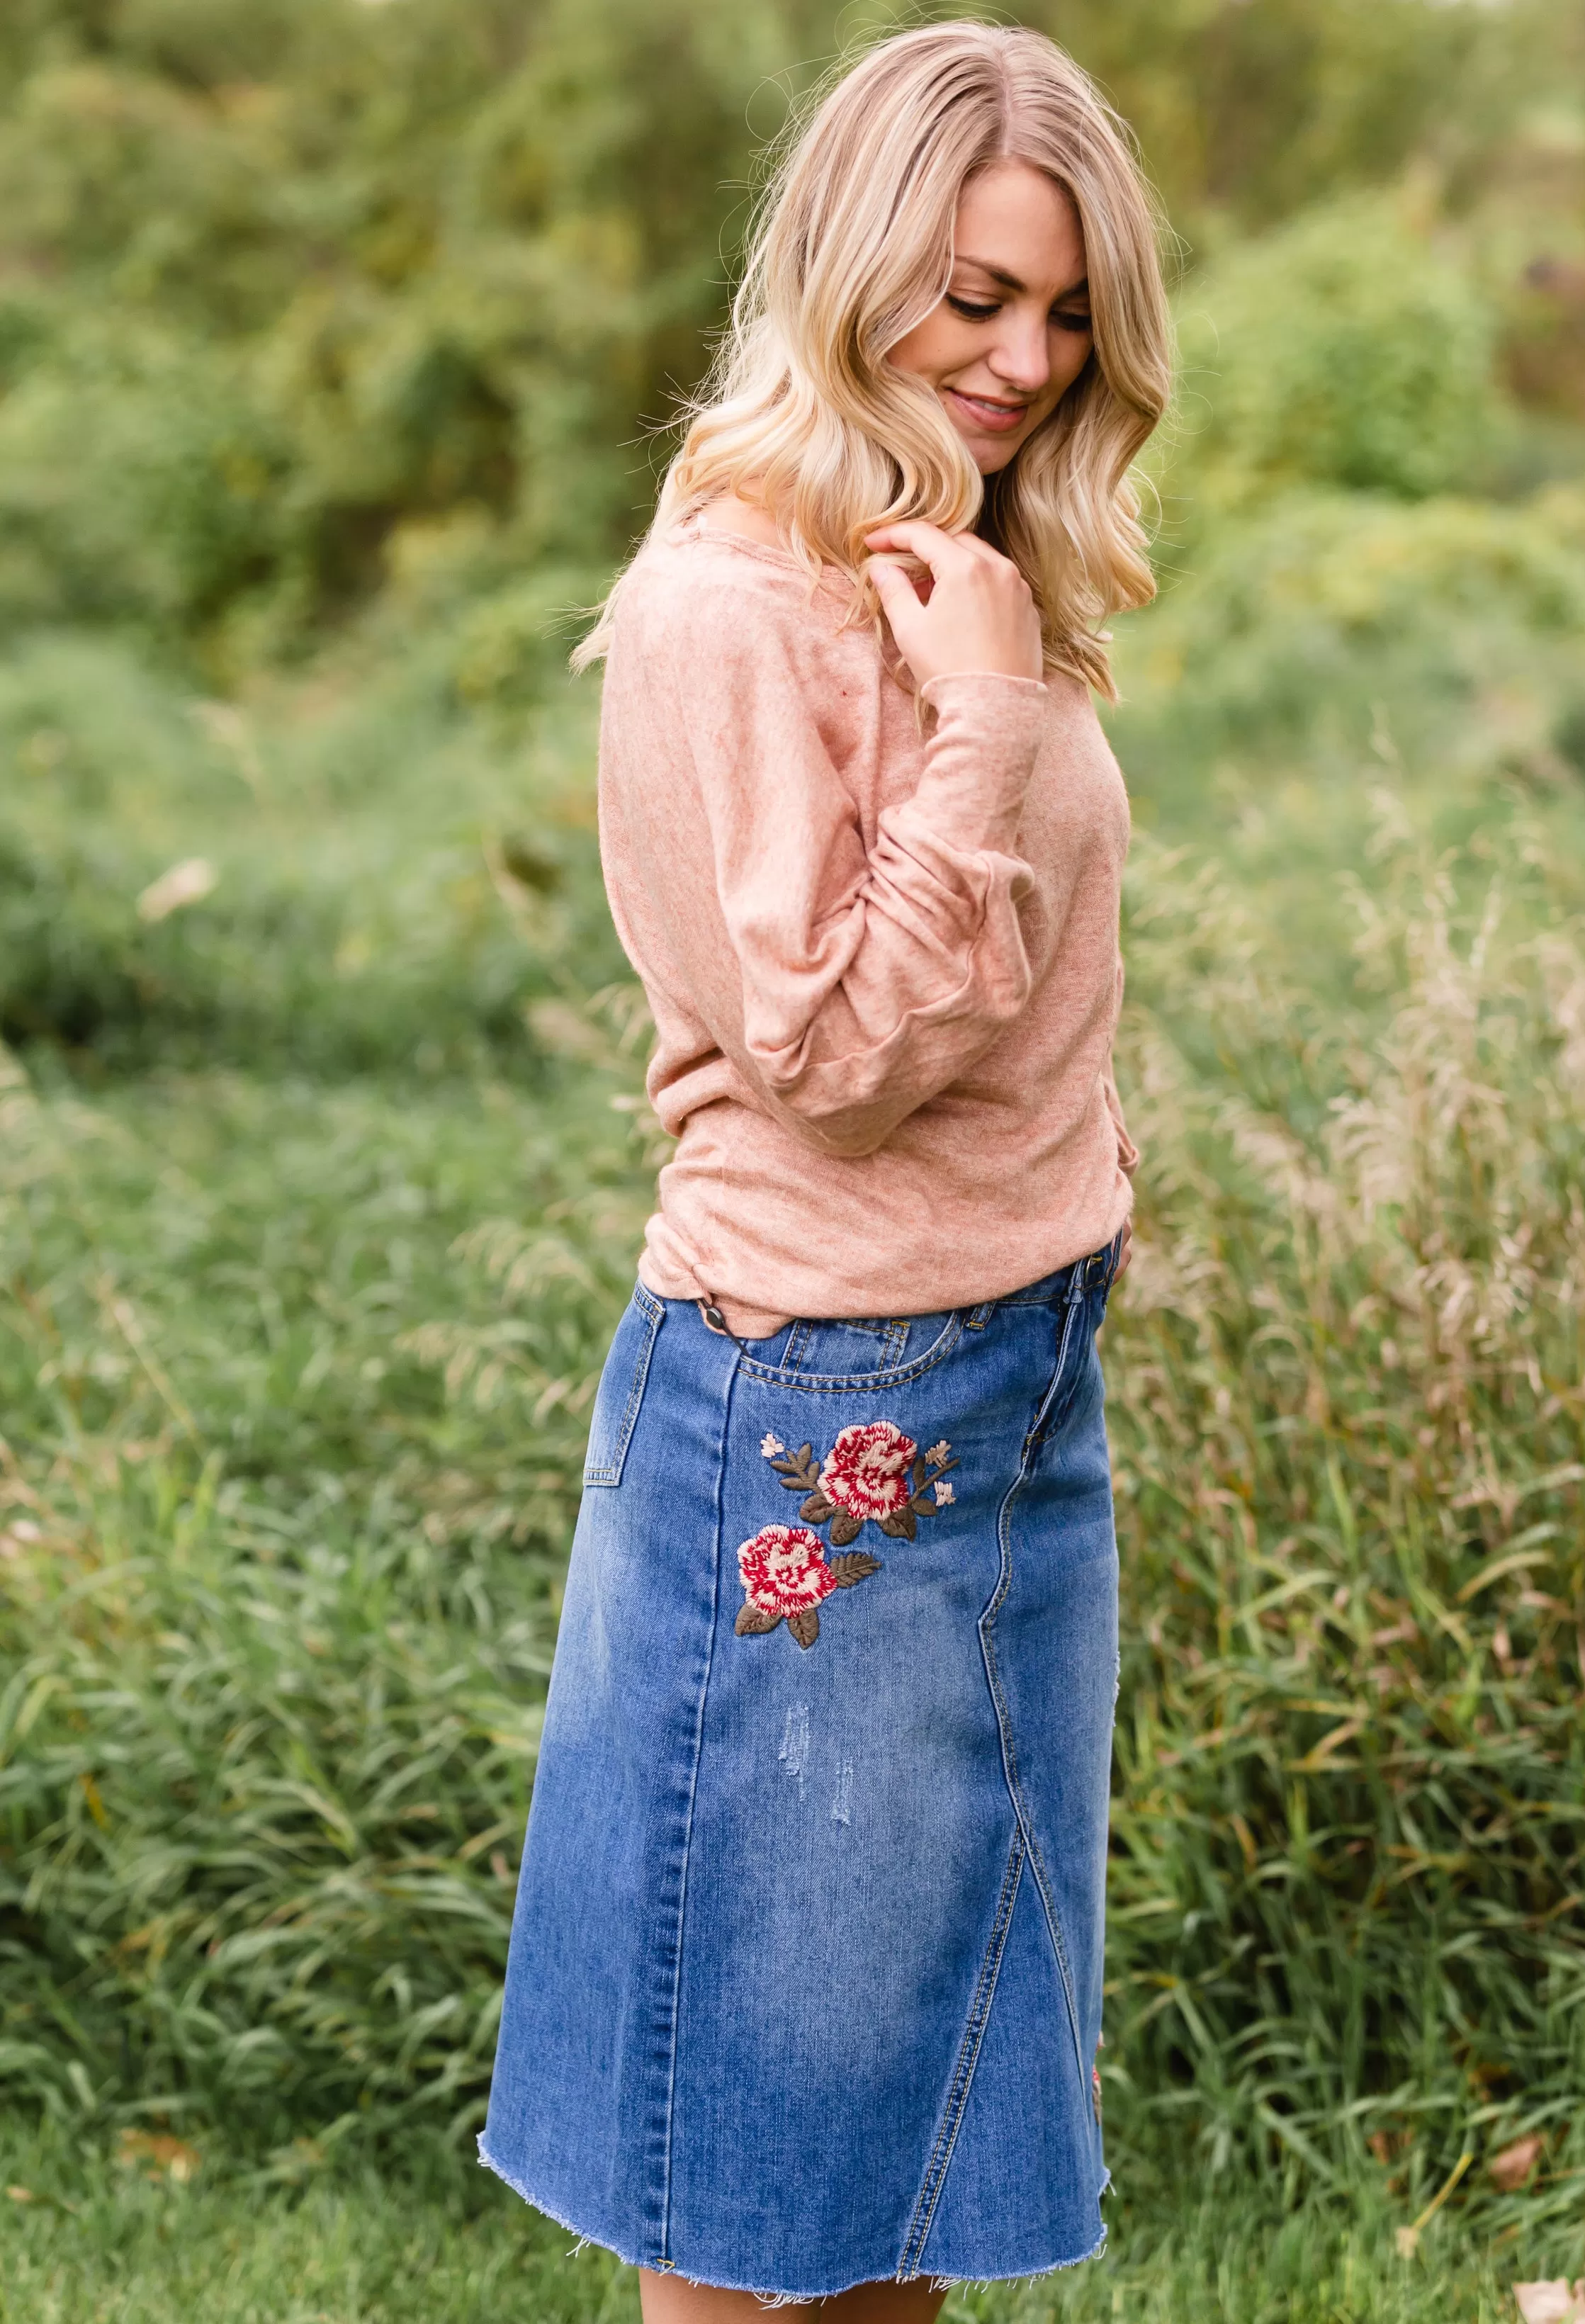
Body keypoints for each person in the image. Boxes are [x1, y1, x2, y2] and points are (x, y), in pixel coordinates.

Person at [479, 21, 1170, 2318]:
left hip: (1016, 1401)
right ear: (848, 262)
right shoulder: (730, 612)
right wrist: (979, 719)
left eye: (1061, 312)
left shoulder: (950, 556)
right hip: (820, 1414)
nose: (1020, 358)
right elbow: (833, 1060)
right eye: (971, 296)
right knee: (756, 2210)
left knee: (898, 2179)